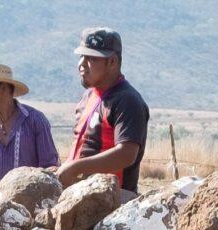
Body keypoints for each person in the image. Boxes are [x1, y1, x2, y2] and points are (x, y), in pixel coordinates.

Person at [58, 27, 151, 194]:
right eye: (81, 56)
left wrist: (75, 167)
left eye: (91, 58)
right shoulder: (88, 97)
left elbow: (126, 154)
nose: (81, 64)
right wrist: (67, 166)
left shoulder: (127, 100)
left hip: (115, 201)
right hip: (81, 195)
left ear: (113, 62)